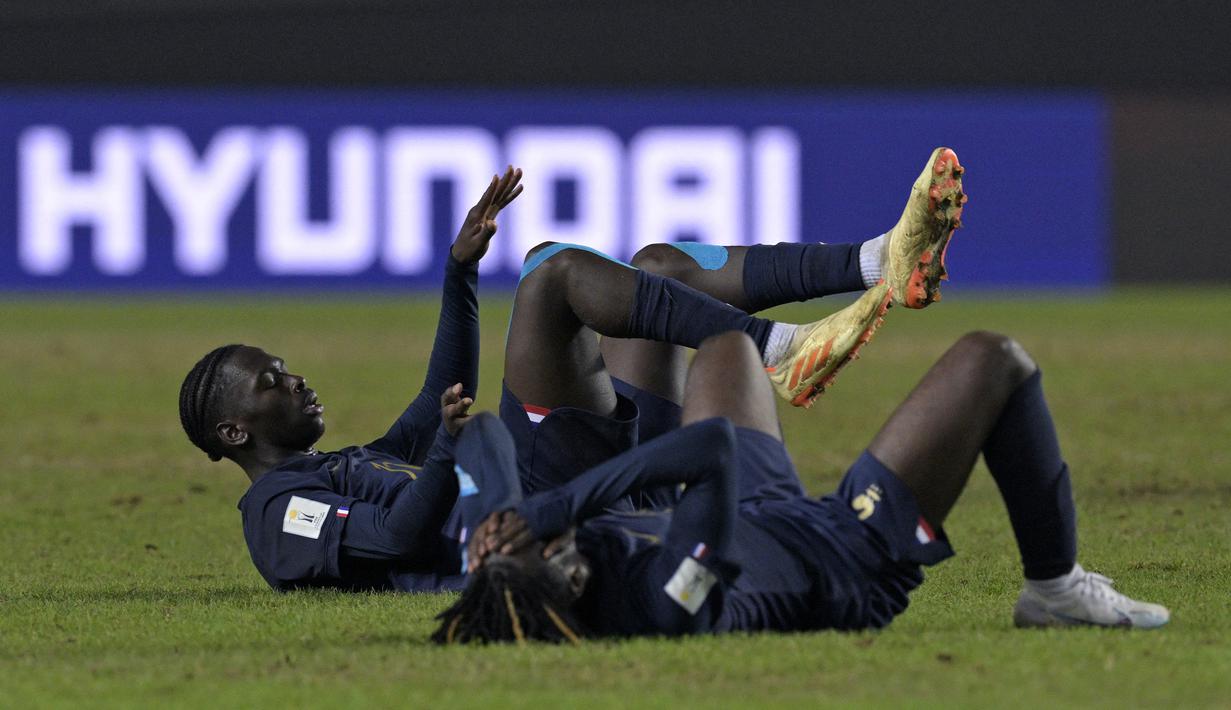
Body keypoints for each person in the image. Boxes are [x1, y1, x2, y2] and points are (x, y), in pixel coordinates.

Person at [432, 328, 1171, 645]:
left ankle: (814, 329)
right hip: (844, 554)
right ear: (565, 584)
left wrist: (496, 516)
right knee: (992, 359)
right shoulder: (664, 608)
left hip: (756, 510)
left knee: (726, 348)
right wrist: (558, 504)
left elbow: (483, 436)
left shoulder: (508, 570)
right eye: (554, 549)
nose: (552, 541)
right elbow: (711, 450)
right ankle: (1055, 590)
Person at [176, 167, 524, 592]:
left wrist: (460, 269)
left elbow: (444, 393)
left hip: (537, 515)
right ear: (233, 433)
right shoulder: (278, 512)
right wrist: (447, 446)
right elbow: (396, 538)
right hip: (515, 559)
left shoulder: (347, 465)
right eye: (271, 381)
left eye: (285, 370)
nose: (297, 380)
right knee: (551, 281)